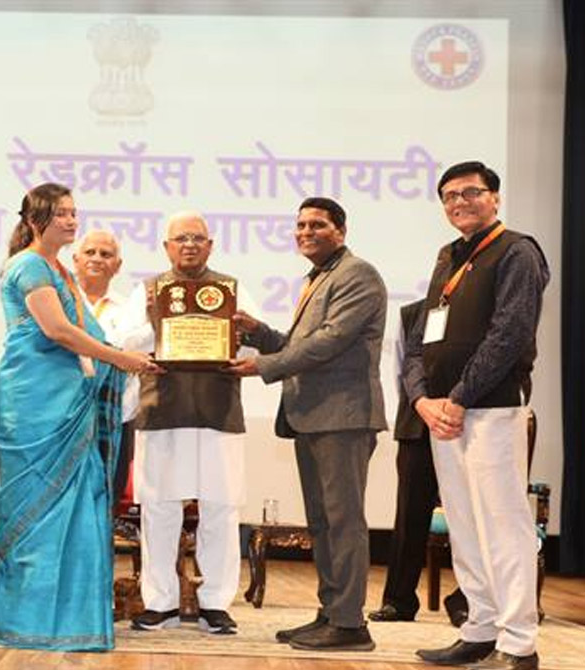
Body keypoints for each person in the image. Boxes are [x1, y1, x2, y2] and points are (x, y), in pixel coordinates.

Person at [0, 183, 159, 651]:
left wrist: (132, 353)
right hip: (33, 401)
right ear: (35, 220)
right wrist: (121, 360)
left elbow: (91, 332)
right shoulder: (28, 266)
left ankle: (67, 620)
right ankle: (27, 621)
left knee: (76, 505)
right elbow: (58, 331)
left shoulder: (60, 270)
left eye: (72, 212)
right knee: (38, 509)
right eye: (60, 213)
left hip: (68, 397)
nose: (70, 220)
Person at [407, 161, 548, 670]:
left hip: (491, 408)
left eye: (470, 192)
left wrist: (460, 396)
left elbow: (510, 334)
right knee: (465, 528)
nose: (459, 202)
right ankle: (481, 629)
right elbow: (419, 338)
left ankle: (519, 644)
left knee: (502, 526)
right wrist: (421, 399)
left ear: (495, 198)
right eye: (449, 196)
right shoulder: (448, 256)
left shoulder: (517, 251)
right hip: (443, 415)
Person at [229, 196, 386, 652]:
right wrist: (259, 332)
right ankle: (332, 613)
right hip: (314, 416)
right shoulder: (317, 278)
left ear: (341, 230)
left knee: (344, 522)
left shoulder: (357, 274)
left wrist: (262, 366)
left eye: (317, 224)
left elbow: (330, 342)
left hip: (343, 416)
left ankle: (351, 624)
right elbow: (301, 344)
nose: (305, 232)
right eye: (300, 225)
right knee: (323, 522)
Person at [119, 211, 257, 636]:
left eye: (198, 238)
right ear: (167, 246)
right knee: (159, 509)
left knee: (221, 508)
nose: (190, 245)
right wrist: (154, 324)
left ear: (211, 245)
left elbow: (256, 347)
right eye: (181, 239)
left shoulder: (232, 290)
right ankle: (160, 602)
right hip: (163, 410)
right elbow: (123, 344)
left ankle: (215, 603)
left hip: (218, 412)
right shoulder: (146, 291)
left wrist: (238, 335)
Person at [369, 300, 468, 625]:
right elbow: (403, 368)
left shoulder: (481, 308)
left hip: (465, 421)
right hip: (418, 423)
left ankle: (467, 599)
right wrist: (422, 404)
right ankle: (398, 600)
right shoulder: (413, 312)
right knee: (409, 514)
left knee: (468, 515)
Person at [72, 230, 134, 503]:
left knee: (107, 494)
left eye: (106, 254)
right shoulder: (59, 302)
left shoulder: (130, 309)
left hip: (114, 416)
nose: (97, 259)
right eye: (90, 252)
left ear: (117, 265)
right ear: (75, 260)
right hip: (65, 413)